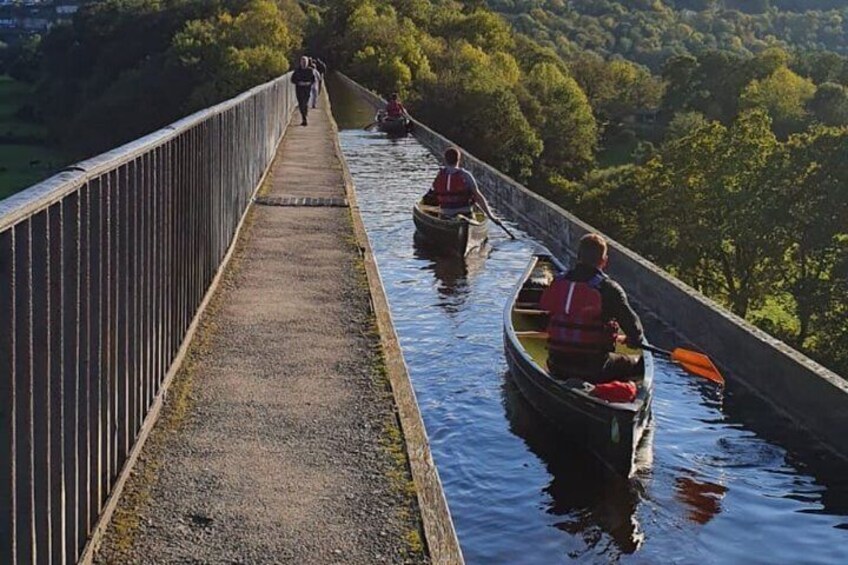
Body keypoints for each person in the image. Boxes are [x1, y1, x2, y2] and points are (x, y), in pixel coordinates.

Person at [539, 233, 645, 384]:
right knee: (640, 364)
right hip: (595, 370)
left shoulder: (558, 282)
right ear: (604, 261)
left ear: (578, 256)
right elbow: (635, 332)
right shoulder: (609, 288)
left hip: (556, 364)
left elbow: (546, 314)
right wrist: (633, 340)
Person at [425, 147, 497, 220]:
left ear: (445, 160)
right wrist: (491, 216)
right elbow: (478, 197)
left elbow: (433, 194)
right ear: (458, 159)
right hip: (465, 213)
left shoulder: (440, 175)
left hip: (445, 213)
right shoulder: (466, 175)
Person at [291, 56, 316, 126]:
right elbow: (292, 80)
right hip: (299, 89)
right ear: (300, 63)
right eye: (303, 62)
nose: (304, 63)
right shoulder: (297, 70)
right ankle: (304, 117)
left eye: (305, 62)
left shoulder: (310, 70)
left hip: (307, 90)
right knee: (301, 104)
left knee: (305, 103)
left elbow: (313, 80)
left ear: (307, 62)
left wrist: (308, 83)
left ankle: (304, 118)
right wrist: (299, 83)